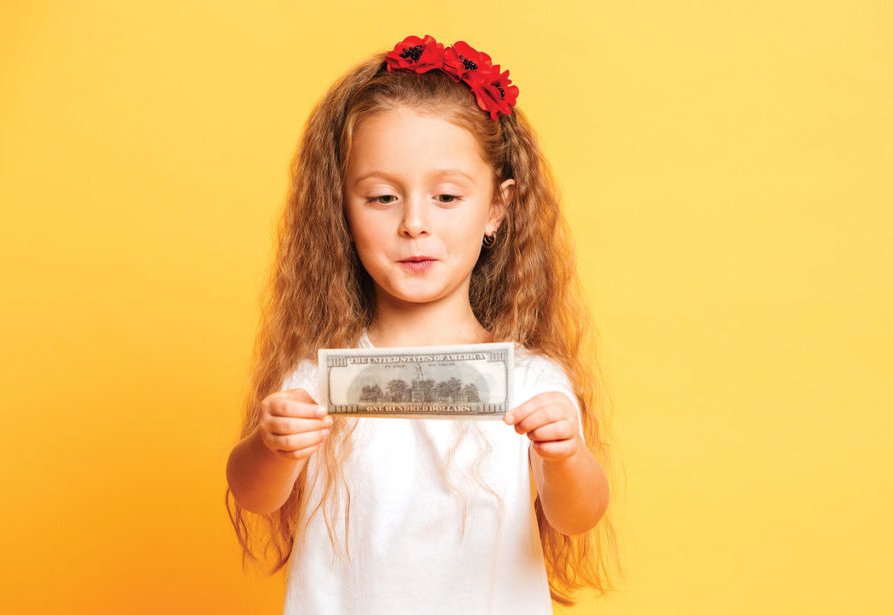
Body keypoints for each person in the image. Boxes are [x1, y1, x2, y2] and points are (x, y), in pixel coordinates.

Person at [225, 34, 618, 614]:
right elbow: (254, 494)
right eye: (382, 197)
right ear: (342, 208)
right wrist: (272, 447)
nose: (414, 223)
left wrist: (566, 458)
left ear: (497, 209)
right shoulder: (319, 377)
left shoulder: (530, 380)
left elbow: (577, 513)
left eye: (446, 197)